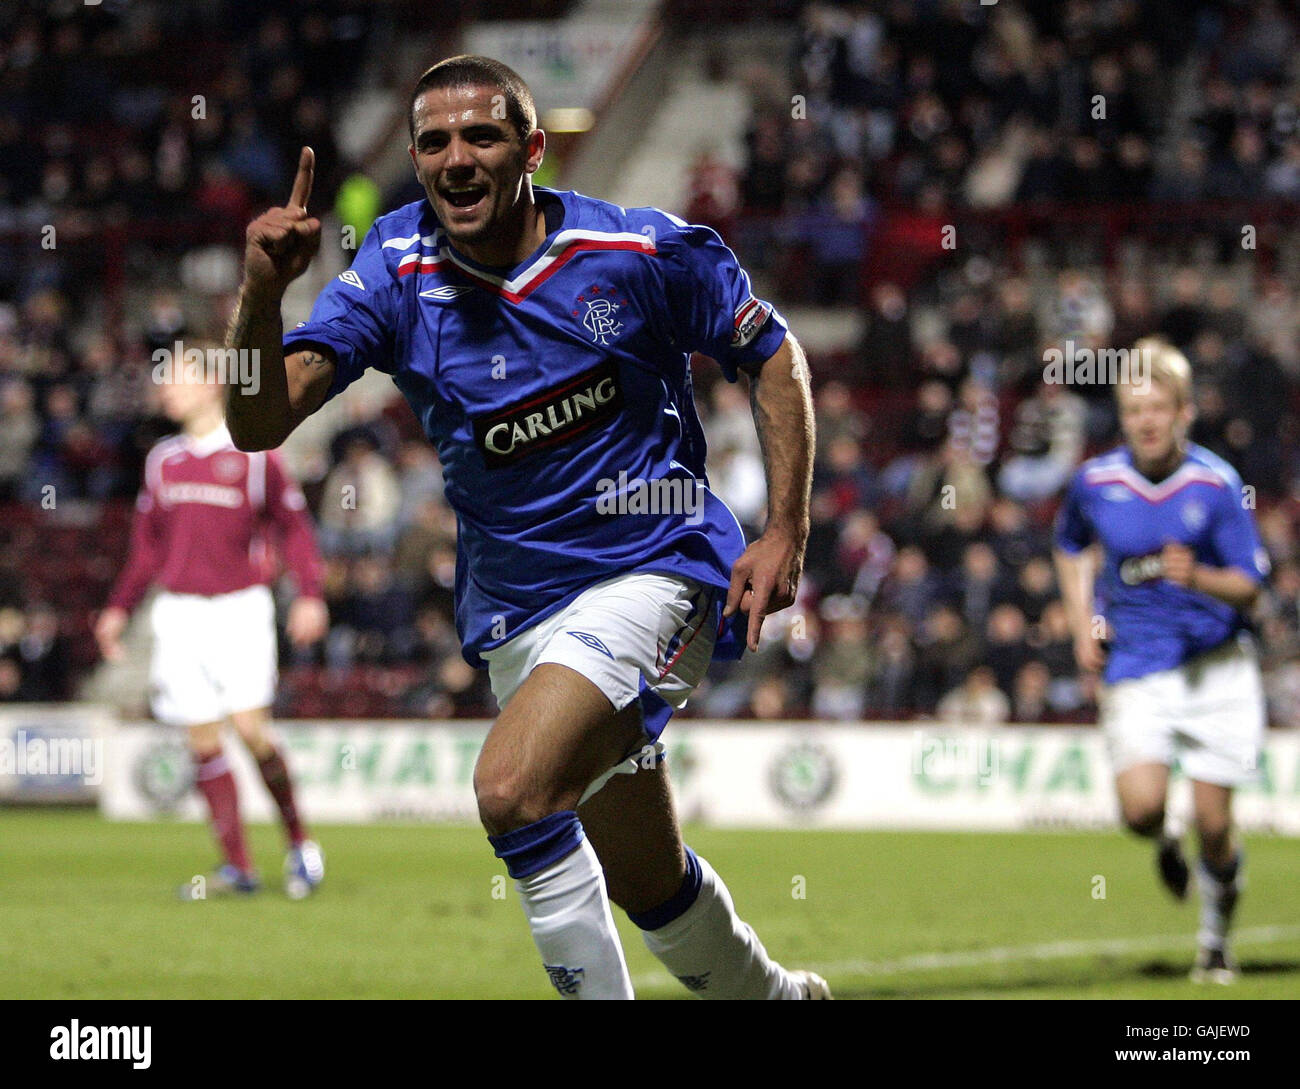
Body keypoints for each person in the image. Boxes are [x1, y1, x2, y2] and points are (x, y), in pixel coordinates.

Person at [224, 55, 825, 1000]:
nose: (456, 159)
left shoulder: (636, 255)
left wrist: (785, 528)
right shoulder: (393, 267)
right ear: (416, 161)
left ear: (533, 149)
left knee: (510, 789)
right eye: (433, 142)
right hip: (517, 611)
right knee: (646, 879)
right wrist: (263, 295)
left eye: (482, 136)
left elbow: (774, 354)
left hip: (655, 563)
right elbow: (256, 421)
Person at [1053, 338, 1269, 984]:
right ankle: (1165, 841)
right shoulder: (1096, 483)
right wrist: (1079, 620)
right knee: (1142, 810)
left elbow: (1252, 584)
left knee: (1216, 823)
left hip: (1216, 667)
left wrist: (1197, 576)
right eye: (1133, 408)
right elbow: (1069, 547)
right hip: (1139, 664)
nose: (1146, 420)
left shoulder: (1218, 484)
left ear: (1184, 412)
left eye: (1158, 407)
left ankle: (1214, 941)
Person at [95, 357, 329, 899]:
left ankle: (299, 842)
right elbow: (146, 546)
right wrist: (118, 608)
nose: (165, 390)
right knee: (202, 743)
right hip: (178, 613)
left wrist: (310, 596)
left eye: (175, 378)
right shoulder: (162, 461)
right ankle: (238, 868)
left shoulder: (254, 456)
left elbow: (294, 528)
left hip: (239, 608)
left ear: (210, 385)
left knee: (251, 731)